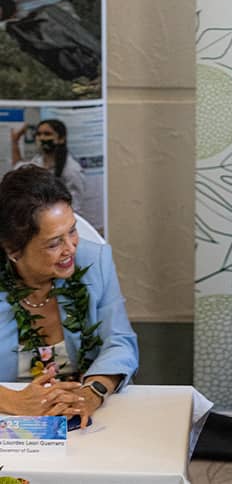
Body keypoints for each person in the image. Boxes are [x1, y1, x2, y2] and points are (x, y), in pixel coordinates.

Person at [0, 166, 138, 427]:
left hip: (80, 421)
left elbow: (120, 342)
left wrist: (92, 393)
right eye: (54, 243)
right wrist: (11, 401)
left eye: (72, 231)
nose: (71, 248)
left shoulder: (95, 260)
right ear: (13, 249)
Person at [10, 119, 86, 213]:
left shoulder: (71, 169)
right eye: (39, 134)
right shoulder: (37, 162)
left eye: (47, 134)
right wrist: (15, 141)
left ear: (61, 139)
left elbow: (75, 207)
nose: (42, 138)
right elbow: (18, 169)